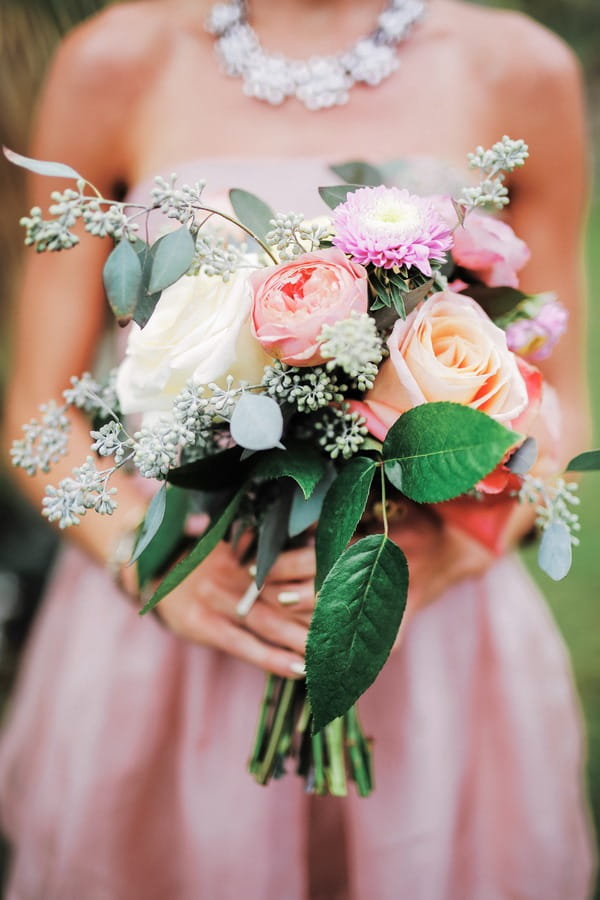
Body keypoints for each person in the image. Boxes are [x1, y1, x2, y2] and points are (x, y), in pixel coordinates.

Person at [0, 0, 594, 896]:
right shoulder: (114, 59)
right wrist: (148, 564)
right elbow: (36, 417)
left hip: (418, 629)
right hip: (178, 619)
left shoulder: (520, 69)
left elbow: (564, 402)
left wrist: (450, 557)